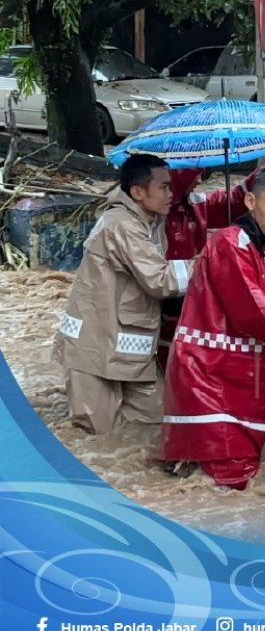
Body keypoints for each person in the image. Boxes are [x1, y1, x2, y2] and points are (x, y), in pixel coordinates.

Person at [161, 167, 265, 490]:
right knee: (226, 483)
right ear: (251, 201)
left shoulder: (250, 247)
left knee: (222, 486)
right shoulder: (232, 245)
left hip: (221, 381)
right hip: (210, 385)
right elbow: (259, 315)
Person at [52, 154, 191, 434]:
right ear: (138, 192)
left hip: (127, 345)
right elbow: (160, 279)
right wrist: (215, 261)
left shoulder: (147, 220)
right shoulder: (123, 225)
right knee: (98, 436)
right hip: (94, 348)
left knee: (161, 422)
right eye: (163, 187)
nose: (170, 194)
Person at [158, 153, 265, 368]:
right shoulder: (158, 213)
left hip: (193, 294)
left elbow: (235, 201)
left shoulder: (195, 204)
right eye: (196, 173)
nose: (200, 181)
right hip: (167, 297)